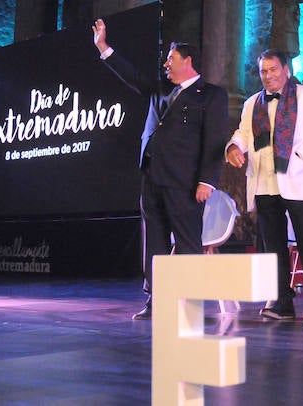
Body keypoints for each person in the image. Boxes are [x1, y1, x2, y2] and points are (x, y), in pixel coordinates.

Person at [92, 19, 229, 320]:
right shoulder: (160, 88)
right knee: (153, 241)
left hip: (185, 181)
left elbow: (215, 140)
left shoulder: (211, 95)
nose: (166, 64)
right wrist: (104, 48)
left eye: (171, 59)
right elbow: (131, 76)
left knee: (187, 242)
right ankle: (157, 299)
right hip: (152, 177)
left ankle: (191, 302)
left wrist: (207, 180)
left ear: (188, 61)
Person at [226, 49, 303, 319]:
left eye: (273, 69)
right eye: (263, 71)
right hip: (263, 181)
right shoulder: (252, 102)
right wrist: (233, 146)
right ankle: (281, 303)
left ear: (286, 70)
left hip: (295, 179)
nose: (268, 76)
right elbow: (243, 132)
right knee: (272, 244)